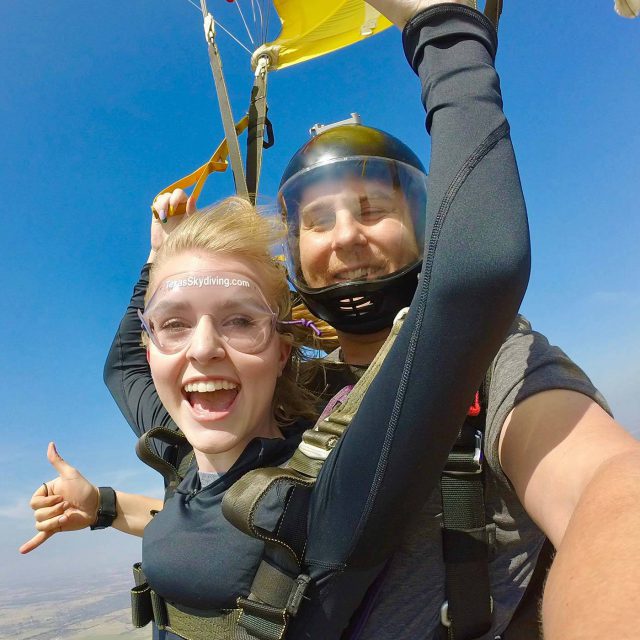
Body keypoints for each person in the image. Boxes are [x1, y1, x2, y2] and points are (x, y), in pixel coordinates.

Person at [104, 0, 640, 639]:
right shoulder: (278, 390)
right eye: (320, 221)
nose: (348, 237)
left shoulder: (488, 360)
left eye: (372, 209)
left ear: (424, 225)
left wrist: (443, 29)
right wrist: (158, 260)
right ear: (295, 254)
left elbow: (606, 491)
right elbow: (155, 408)